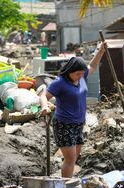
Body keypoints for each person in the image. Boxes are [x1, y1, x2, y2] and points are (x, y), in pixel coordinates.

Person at [40, 43, 105, 178]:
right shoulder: (60, 82)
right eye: (77, 74)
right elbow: (43, 96)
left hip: (79, 123)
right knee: (70, 159)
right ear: (69, 71)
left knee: (75, 157)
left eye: (82, 74)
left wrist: (101, 51)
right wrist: (45, 106)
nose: (80, 76)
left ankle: (68, 182)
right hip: (64, 124)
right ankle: (66, 187)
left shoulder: (82, 76)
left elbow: (92, 66)